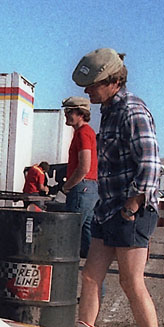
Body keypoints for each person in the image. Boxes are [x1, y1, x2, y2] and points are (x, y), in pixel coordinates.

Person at [70, 47, 164, 327]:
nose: (87, 91)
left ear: (112, 81)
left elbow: (150, 164)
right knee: (89, 276)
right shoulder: (109, 111)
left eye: (93, 84)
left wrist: (132, 206)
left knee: (131, 282)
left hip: (129, 211)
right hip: (108, 210)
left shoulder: (133, 111)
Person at [61, 96, 99, 258]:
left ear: (81, 113)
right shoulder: (86, 133)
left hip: (81, 188)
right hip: (89, 189)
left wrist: (67, 186)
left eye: (69, 112)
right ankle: (93, 278)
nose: (66, 115)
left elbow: (84, 167)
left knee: (69, 233)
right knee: (86, 233)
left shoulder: (83, 134)